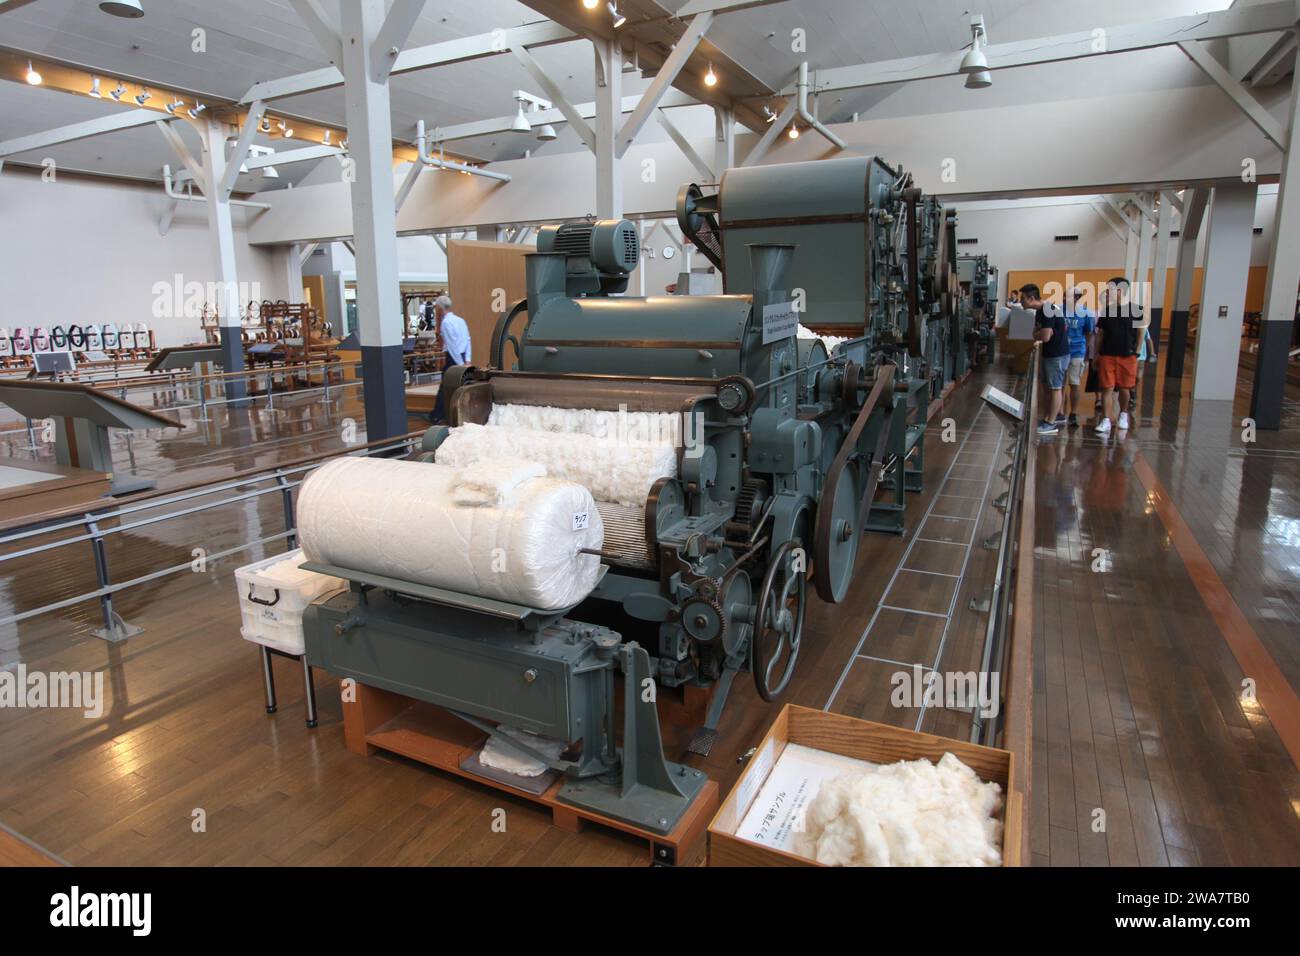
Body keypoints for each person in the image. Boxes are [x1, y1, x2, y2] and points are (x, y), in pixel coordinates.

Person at [1094, 277, 1139, 435]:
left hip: (1128, 355)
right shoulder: (1106, 311)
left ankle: (1123, 414)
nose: (1109, 292)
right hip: (1107, 354)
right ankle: (1106, 419)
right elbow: (1100, 334)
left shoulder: (1136, 309)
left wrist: (1137, 351)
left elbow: (1141, 331)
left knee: (1125, 388)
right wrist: (1096, 355)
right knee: (1107, 388)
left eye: (1111, 289)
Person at [1023, 283, 1068, 436]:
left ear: (1031, 298)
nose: (1021, 302)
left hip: (1057, 355)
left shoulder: (1048, 310)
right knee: (1049, 388)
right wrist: (1038, 334)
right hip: (1049, 354)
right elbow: (1035, 333)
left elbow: (1045, 336)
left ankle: (1051, 423)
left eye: (1023, 298)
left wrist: (1038, 334)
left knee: (1055, 388)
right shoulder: (1040, 312)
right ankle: (1049, 418)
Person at [429, 294, 471, 425]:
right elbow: (468, 339)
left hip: (454, 358)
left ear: (440, 308)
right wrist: (467, 360)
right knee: (462, 384)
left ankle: (438, 414)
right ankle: (461, 412)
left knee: (445, 386)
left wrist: (459, 364)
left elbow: (452, 345)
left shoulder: (446, 323)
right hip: (463, 356)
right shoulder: (460, 320)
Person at [1062, 285, 1096, 429]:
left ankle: (1073, 413)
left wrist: (1085, 352)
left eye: (1072, 296)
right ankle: (1060, 412)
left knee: (1074, 383)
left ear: (1077, 298)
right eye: (1066, 295)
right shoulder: (1058, 311)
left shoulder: (1086, 313)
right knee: (1060, 384)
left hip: (1077, 352)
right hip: (1061, 351)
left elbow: (1089, 334)